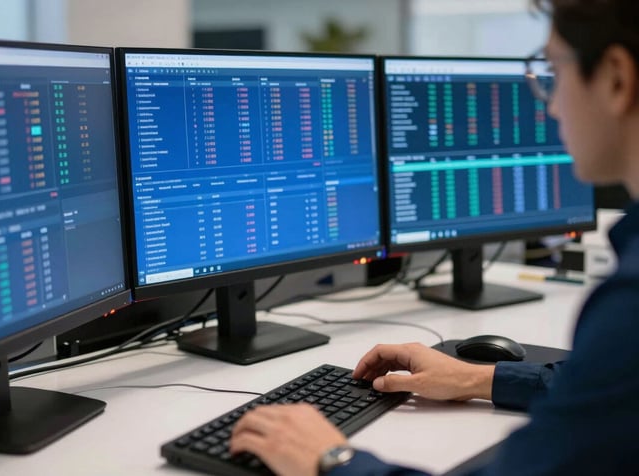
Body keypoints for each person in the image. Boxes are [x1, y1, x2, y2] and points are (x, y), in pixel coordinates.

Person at [230, 0, 639, 474]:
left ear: (615, 78)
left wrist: (331, 460)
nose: (548, 101)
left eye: (553, 71)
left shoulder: (628, 307)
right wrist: (479, 378)